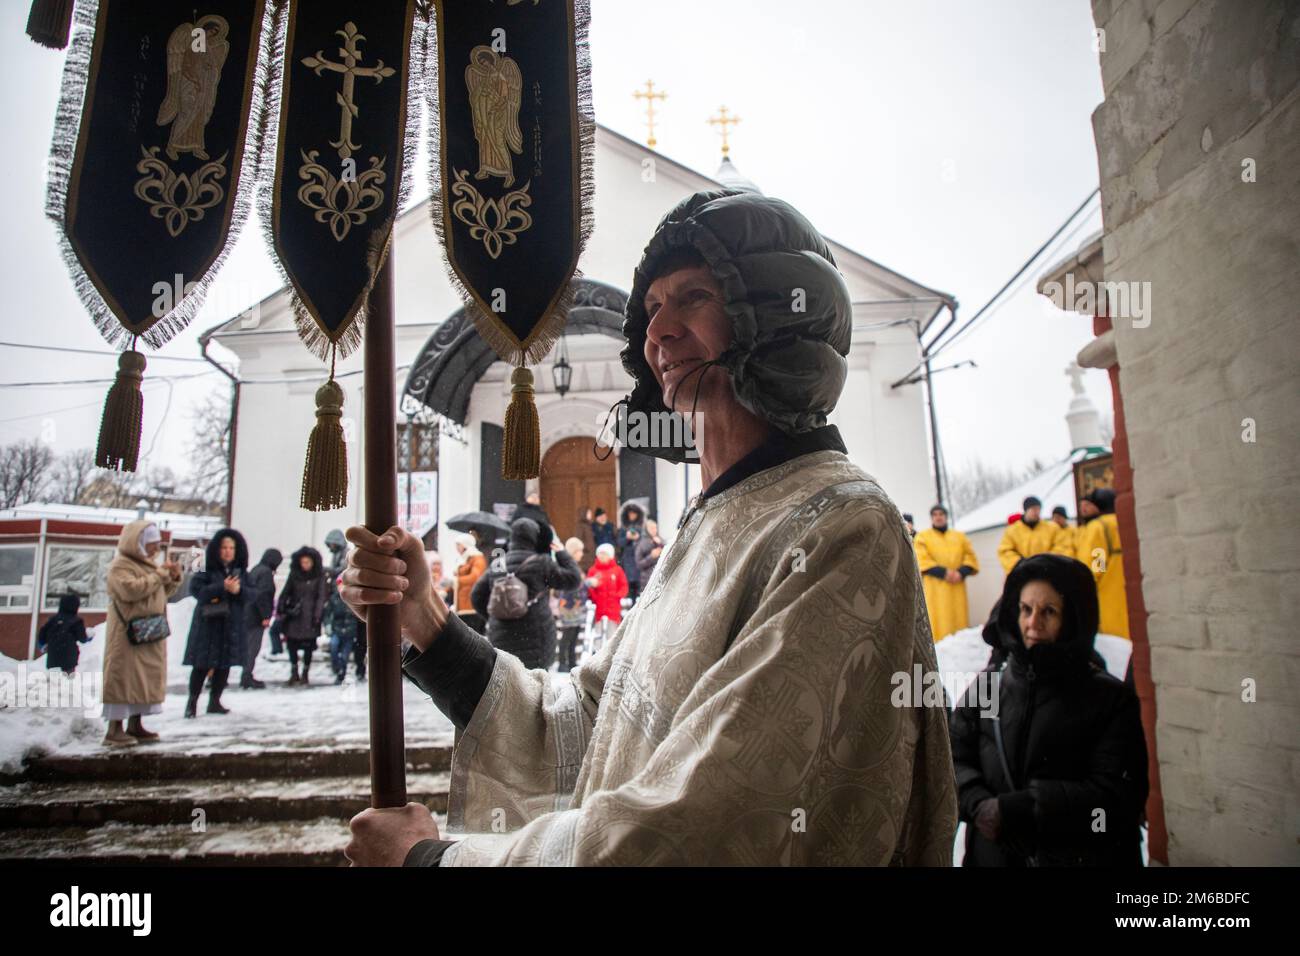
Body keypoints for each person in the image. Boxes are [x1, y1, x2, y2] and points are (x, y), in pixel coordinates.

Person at [340, 188, 956, 867]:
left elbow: (705, 828)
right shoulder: (710, 521)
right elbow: (587, 728)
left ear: (776, 316)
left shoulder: (842, 524)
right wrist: (425, 619)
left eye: (694, 297)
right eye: (653, 307)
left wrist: (430, 862)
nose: (658, 331)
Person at [949, 553, 1148, 866]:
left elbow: (1115, 795)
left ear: (1072, 619)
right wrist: (977, 803)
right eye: (1026, 609)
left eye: (1049, 611)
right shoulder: (988, 685)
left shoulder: (1107, 699)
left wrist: (1023, 809)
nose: (1032, 623)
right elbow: (953, 755)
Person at [103, 521, 182, 744]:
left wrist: (172, 577)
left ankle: (135, 724)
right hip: (127, 635)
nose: (156, 549)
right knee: (123, 678)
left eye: (157, 544)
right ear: (137, 543)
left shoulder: (147, 565)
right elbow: (131, 590)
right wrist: (159, 575)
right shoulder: (121, 565)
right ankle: (114, 729)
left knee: (143, 679)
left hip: (148, 630)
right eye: (151, 544)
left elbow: (160, 592)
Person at [469, 517, 583, 670]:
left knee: (507, 685)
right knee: (536, 685)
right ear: (534, 538)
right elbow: (573, 579)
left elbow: (476, 596)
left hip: (501, 637)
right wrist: (562, 553)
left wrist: (497, 616)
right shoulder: (542, 563)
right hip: (537, 637)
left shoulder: (498, 564)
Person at [182, 528, 249, 719]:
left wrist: (238, 590)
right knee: (201, 665)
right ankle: (192, 703)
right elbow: (196, 590)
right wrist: (222, 587)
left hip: (230, 624)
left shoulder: (240, 570)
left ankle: (215, 701)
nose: (228, 551)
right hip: (208, 624)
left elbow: (251, 594)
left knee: (224, 664)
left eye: (231, 548)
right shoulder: (206, 568)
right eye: (224, 547)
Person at [913, 504, 979, 641]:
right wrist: (944, 573)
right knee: (938, 620)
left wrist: (961, 572)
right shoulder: (923, 537)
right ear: (931, 518)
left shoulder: (959, 537)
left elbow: (970, 557)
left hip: (957, 586)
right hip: (936, 589)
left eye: (941, 514)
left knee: (959, 620)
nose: (938, 517)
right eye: (935, 515)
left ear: (946, 517)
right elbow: (921, 559)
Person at [1076, 488, 1129, 639]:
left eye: (1088, 504)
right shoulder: (1123, 520)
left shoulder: (1098, 527)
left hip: (1107, 595)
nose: (1083, 508)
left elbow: (1096, 566)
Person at [278, 546, 329, 686]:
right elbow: (286, 591)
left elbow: (321, 596)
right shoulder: (294, 575)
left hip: (310, 616)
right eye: (303, 562)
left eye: (308, 562)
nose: (305, 565)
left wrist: (317, 615)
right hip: (295, 615)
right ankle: (294, 671)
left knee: (308, 647)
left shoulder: (319, 576)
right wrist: (283, 606)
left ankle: (305, 673)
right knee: (292, 645)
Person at [241, 548, 281, 689]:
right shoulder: (265, 574)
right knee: (253, 647)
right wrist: (265, 615)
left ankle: (246, 674)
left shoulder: (256, 569)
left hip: (247, 612)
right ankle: (246, 676)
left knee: (249, 646)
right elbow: (263, 595)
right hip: (256, 615)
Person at [997, 496, 1065, 574]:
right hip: (1022, 575)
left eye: (1039, 509)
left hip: (1048, 573)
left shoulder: (1052, 528)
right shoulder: (1012, 530)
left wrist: (1046, 561)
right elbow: (1005, 551)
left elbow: (1062, 547)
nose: (1037, 512)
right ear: (1026, 510)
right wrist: (1020, 564)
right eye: (1033, 509)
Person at [553, 537, 588, 673]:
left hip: (577, 606)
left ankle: (572, 661)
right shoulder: (567, 566)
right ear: (573, 552)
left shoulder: (575, 566)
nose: (582, 554)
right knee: (567, 635)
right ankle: (563, 662)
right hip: (568, 606)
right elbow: (569, 586)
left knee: (574, 635)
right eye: (579, 551)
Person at [37, 593, 91, 675]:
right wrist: (89, 638)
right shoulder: (77, 621)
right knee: (68, 682)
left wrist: (42, 644)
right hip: (69, 659)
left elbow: (42, 633)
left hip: (53, 657)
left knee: (54, 682)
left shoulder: (52, 620)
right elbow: (82, 638)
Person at [324, 572, 360, 684]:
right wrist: (328, 625)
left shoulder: (352, 599)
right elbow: (327, 614)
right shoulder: (334, 599)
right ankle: (337, 669)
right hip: (337, 629)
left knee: (345, 654)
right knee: (334, 648)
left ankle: (341, 673)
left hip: (350, 631)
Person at [584, 542, 627, 627]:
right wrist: (594, 596)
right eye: (600, 553)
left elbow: (624, 586)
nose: (602, 556)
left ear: (610, 556)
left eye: (604, 554)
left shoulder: (617, 570)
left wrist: (617, 596)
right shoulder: (593, 570)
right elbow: (588, 588)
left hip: (614, 608)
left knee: (612, 631)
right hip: (598, 607)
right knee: (598, 632)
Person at [453, 534, 488, 632]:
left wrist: (457, 580)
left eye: (458, 545)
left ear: (464, 545)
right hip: (462, 604)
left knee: (471, 633)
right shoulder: (464, 559)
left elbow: (475, 577)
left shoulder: (477, 558)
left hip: (471, 604)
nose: (456, 548)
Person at [615, 503, 645, 604]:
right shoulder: (623, 528)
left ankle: (637, 600)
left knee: (639, 580)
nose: (632, 516)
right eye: (630, 513)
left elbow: (645, 541)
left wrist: (638, 538)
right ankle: (632, 600)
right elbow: (619, 542)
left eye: (634, 513)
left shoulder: (642, 527)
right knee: (630, 580)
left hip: (639, 556)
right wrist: (627, 538)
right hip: (628, 557)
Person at [634, 517, 665, 586]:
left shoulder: (660, 540)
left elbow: (669, 554)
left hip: (661, 577)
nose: (654, 530)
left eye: (655, 528)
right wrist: (651, 557)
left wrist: (661, 545)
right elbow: (639, 565)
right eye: (651, 528)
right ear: (646, 529)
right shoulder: (641, 543)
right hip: (648, 580)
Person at [575, 508, 596, 572]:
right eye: (589, 513)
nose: (590, 515)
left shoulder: (589, 525)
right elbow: (578, 539)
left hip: (591, 555)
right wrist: (587, 547)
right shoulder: (580, 526)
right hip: (585, 556)